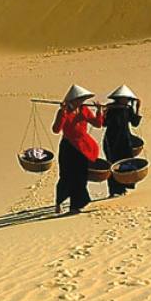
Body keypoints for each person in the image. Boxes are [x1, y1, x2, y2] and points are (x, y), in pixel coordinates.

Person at [52, 84, 104, 215]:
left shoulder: (84, 110)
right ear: (72, 100)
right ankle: (59, 202)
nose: (81, 101)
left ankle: (76, 205)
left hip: (82, 147)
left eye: (82, 99)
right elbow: (56, 129)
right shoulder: (64, 111)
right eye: (78, 99)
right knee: (66, 176)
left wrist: (99, 111)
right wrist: (63, 113)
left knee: (80, 176)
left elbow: (97, 124)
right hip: (68, 147)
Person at [103, 84, 142, 198]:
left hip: (125, 140)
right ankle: (113, 190)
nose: (125, 100)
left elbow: (135, 123)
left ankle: (123, 187)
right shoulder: (111, 108)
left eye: (127, 99)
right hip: (111, 140)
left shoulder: (128, 109)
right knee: (112, 164)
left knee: (125, 163)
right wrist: (103, 113)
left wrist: (137, 108)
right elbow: (104, 124)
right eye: (123, 98)